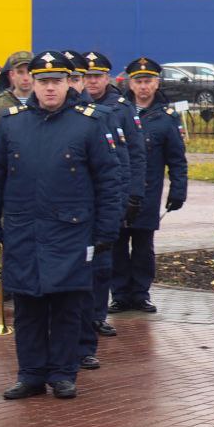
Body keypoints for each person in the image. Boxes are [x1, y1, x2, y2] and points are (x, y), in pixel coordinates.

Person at [0, 52, 122, 399]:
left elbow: (108, 180)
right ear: (32, 84)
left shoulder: (88, 123)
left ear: (68, 82)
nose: (50, 89)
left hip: (71, 232)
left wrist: (106, 230)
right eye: (43, 82)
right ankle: (30, 374)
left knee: (67, 307)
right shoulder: (12, 123)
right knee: (27, 308)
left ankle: (62, 373)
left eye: (56, 81)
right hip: (23, 230)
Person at [111, 57, 188, 323]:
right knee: (118, 242)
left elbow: (177, 158)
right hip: (119, 190)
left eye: (148, 81)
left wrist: (178, 190)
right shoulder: (117, 112)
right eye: (138, 81)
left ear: (157, 83)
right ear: (130, 83)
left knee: (143, 244)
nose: (143, 87)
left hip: (148, 191)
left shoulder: (166, 118)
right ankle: (120, 294)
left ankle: (141, 293)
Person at [79, 53, 148, 319]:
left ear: (107, 78)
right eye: (88, 76)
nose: (92, 82)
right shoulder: (78, 105)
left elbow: (135, 153)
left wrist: (133, 195)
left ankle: (98, 317)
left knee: (106, 258)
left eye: (97, 76)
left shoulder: (121, 107)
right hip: (86, 196)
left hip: (113, 192)